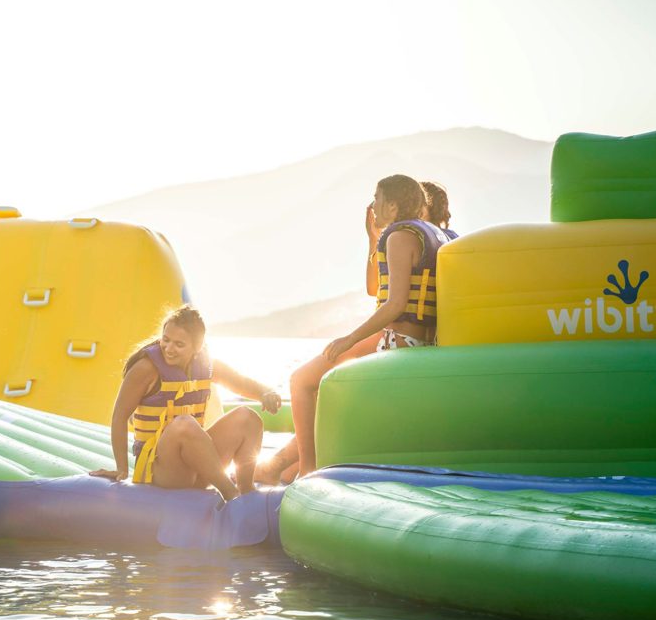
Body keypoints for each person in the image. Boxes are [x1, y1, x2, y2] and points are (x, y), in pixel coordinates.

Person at [256, 175, 454, 484]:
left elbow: (395, 303)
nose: (372, 205)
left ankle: (306, 473)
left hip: (397, 343)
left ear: (392, 205)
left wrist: (349, 338)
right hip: (418, 344)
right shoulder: (435, 236)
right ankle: (286, 471)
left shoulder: (400, 236)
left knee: (302, 381)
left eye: (376, 198)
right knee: (321, 396)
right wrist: (372, 237)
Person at [90, 306, 282, 502]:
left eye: (179, 344)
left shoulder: (207, 365)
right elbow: (119, 416)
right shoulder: (146, 369)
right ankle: (230, 494)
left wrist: (266, 392)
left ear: (197, 347)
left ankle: (247, 491)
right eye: (166, 340)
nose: (169, 348)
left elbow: (240, 382)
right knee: (184, 425)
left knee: (248, 418)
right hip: (161, 471)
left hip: (197, 468)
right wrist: (122, 468)